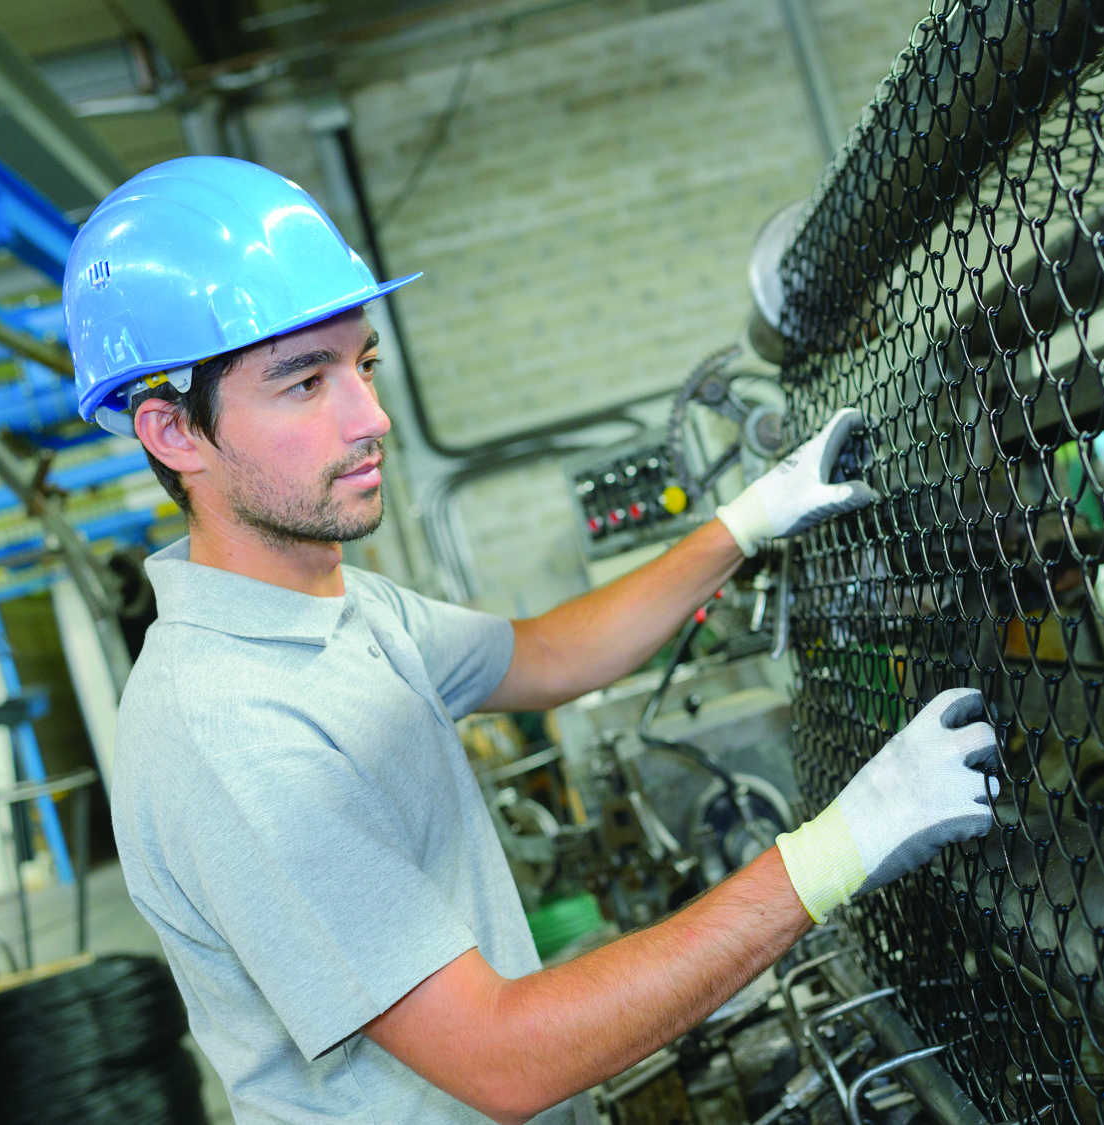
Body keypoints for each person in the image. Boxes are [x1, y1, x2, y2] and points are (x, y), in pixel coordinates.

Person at [68, 157, 1000, 1125]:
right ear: (175, 432)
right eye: (304, 383)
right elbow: (503, 1058)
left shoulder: (342, 609)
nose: (373, 418)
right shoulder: (227, 732)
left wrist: (747, 520)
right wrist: (842, 846)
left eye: (364, 365)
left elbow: (547, 655)